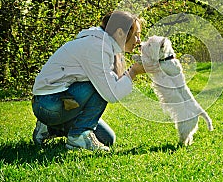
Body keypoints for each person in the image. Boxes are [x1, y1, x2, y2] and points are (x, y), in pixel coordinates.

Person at [31, 11, 145, 152]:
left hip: (51, 102)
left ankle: (49, 127)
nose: (139, 40)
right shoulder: (97, 47)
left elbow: (113, 82)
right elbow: (110, 93)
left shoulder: (104, 45)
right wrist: (133, 72)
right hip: (48, 103)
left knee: (107, 138)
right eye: (137, 35)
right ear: (121, 32)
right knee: (100, 86)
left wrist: (130, 71)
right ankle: (78, 135)